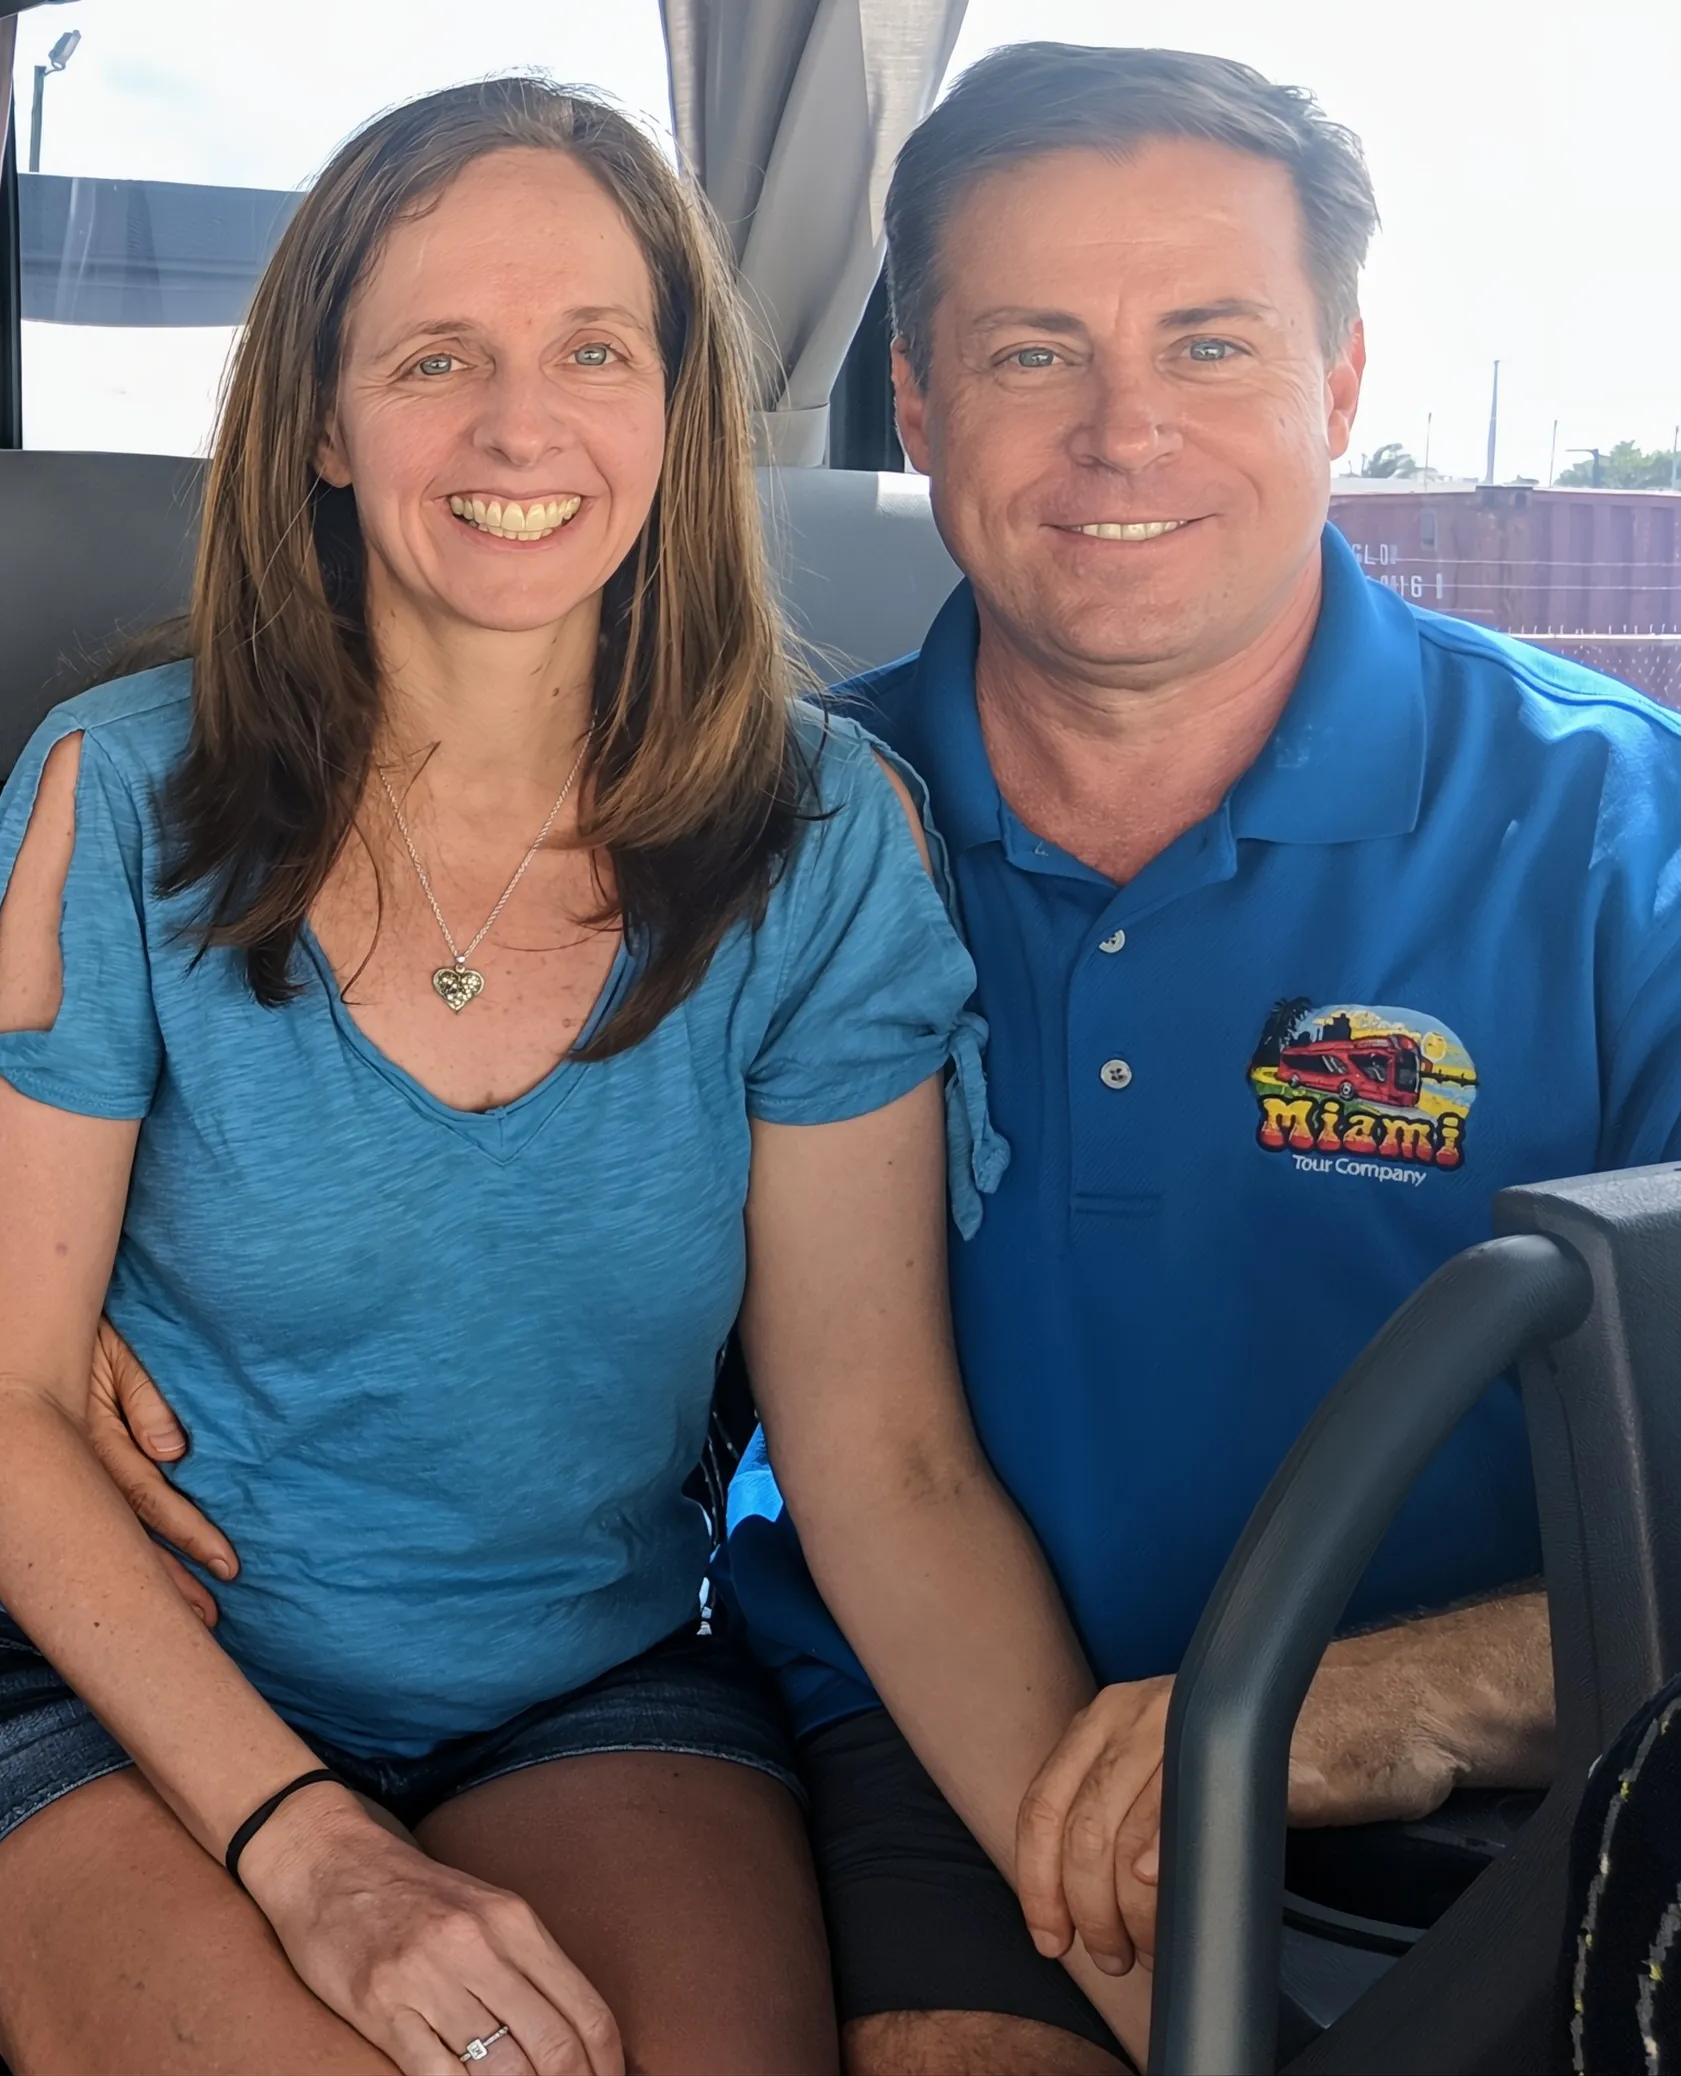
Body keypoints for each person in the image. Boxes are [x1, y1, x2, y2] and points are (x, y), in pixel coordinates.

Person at [0, 75, 1104, 2076]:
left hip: (592, 1685)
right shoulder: (118, 795)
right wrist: (310, 1855)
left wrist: (1128, 1932)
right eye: (435, 356)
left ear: (672, 411)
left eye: (589, 350)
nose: (519, 426)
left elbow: (879, 1456)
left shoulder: (821, 838)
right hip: (113, 1693)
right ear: (326, 429)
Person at [712, 40, 1681, 2076]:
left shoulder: (1617, 839)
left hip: (1537, 1764)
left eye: (1210, 343)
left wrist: (1384, 1699)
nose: (1120, 429)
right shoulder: (765, 836)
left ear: (1336, 387)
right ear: (914, 395)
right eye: (1030, 352)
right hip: (929, 1727)